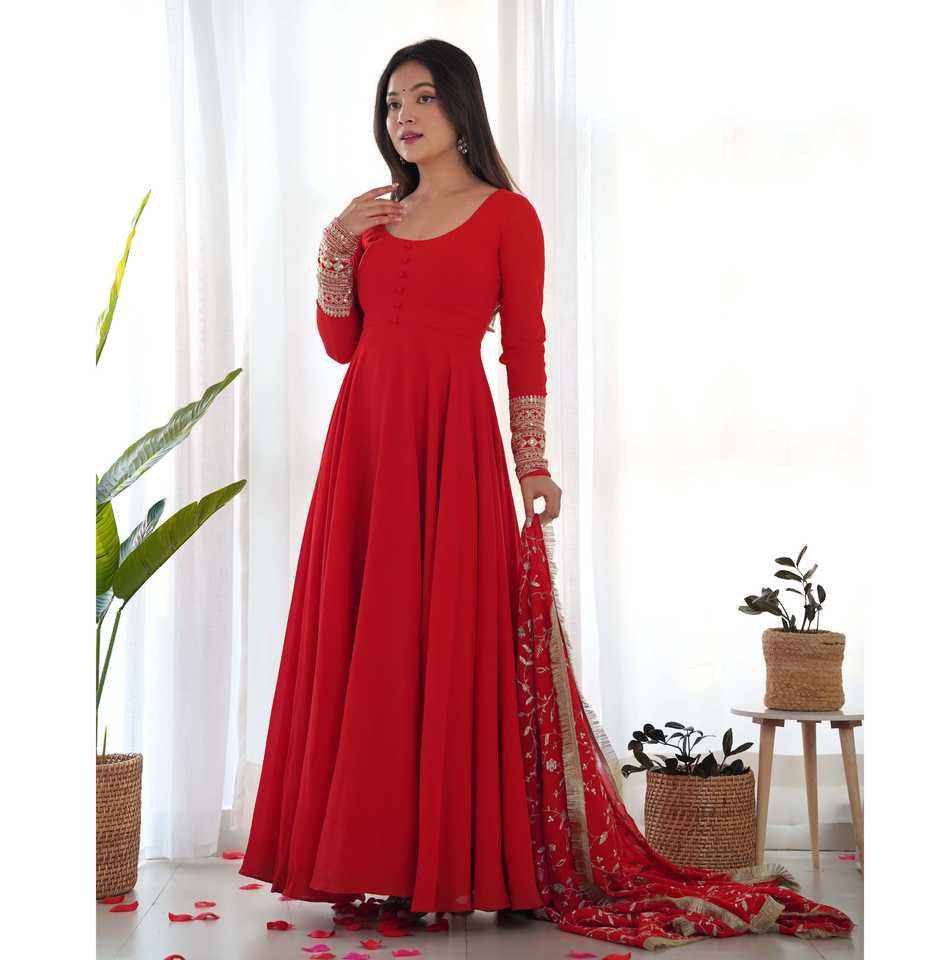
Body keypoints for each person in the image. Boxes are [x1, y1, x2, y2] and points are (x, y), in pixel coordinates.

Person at [239, 39, 560, 918]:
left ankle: (443, 863)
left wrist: (532, 461)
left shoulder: (509, 215)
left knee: (443, 640)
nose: (404, 117)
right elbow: (342, 344)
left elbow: (525, 347)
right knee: (368, 643)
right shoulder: (376, 217)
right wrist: (336, 243)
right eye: (391, 103)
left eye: (422, 98)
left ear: (461, 106)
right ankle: (364, 855)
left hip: (452, 445)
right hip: (368, 445)